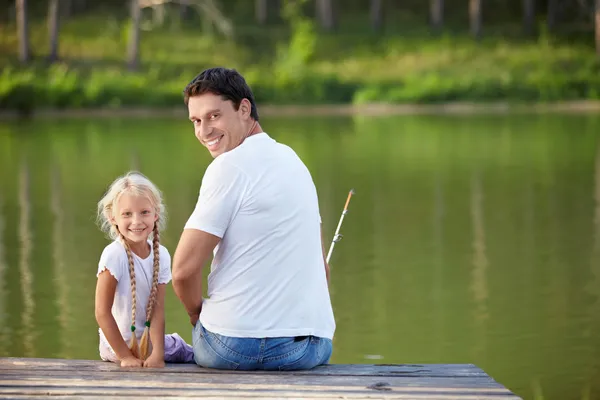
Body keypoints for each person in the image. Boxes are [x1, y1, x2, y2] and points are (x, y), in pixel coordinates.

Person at [172, 67, 335, 371]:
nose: (204, 131)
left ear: (244, 108)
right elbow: (321, 269)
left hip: (236, 348)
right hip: (311, 350)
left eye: (213, 116)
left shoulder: (228, 167)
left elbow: (182, 271)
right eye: (196, 121)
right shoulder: (295, 162)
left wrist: (198, 317)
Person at [95, 171, 194, 367]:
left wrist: (157, 353)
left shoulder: (161, 255)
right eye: (127, 214)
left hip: (147, 344)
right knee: (187, 350)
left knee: (181, 348)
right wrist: (125, 357)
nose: (137, 221)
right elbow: (101, 312)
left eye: (144, 212)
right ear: (112, 217)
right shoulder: (114, 255)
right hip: (116, 346)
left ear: (156, 213)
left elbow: (157, 309)